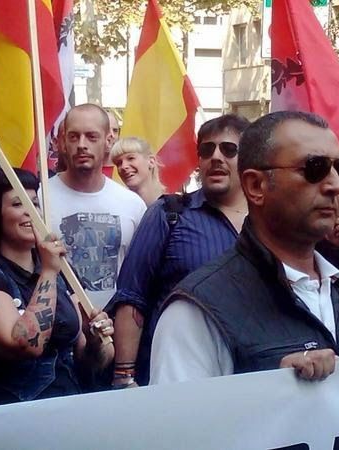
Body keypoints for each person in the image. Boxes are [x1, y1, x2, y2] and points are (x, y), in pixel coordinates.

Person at [150, 111, 339, 384]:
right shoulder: (198, 312)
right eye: (314, 168)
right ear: (256, 185)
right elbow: (179, 422)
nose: (335, 185)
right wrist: (268, 390)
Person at [107, 114, 251, 387]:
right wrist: (124, 377)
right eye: (207, 150)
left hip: (252, 376)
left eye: (229, 149)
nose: (216, 157)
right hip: (178, 376)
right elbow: (132, 297)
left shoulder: (270, 221)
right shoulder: (169, 213)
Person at [0, 166, 114, 406]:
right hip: (15, 417)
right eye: (18, 204)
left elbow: (90, 361)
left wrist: (95, 341)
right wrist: (48, 271)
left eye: (35, 203)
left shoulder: (64, 275)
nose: (31, 212)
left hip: (72, 408)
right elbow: (26, 344)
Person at [46, 103, 147, 310]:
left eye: (91, 137)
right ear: (63, 142)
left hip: (115, 328)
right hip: (60, 328)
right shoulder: (40, 198)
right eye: (74, 137)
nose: (82, 145)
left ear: (109, 140)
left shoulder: (132, 205)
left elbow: (141, 276)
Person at [111, 137, 165, 206]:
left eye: (130, 158)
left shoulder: (173, 208)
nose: (123, 166)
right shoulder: (116, 208)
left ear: (151, 161)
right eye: (119, 163)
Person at [102, 110, 121, 178]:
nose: (112, 135)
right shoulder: (83, 169)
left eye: (115, 130)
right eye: (106, 129)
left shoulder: (126, 169)